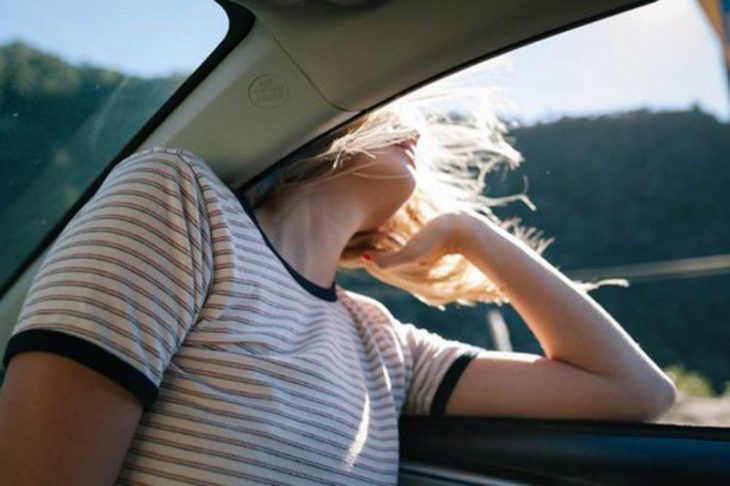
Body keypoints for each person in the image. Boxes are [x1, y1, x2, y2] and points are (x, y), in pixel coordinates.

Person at [0, 88, 676, 485]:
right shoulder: (180, 202)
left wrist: (472, 232)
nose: (414, 129)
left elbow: (635, 391)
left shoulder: (383, 343)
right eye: (392, 110)